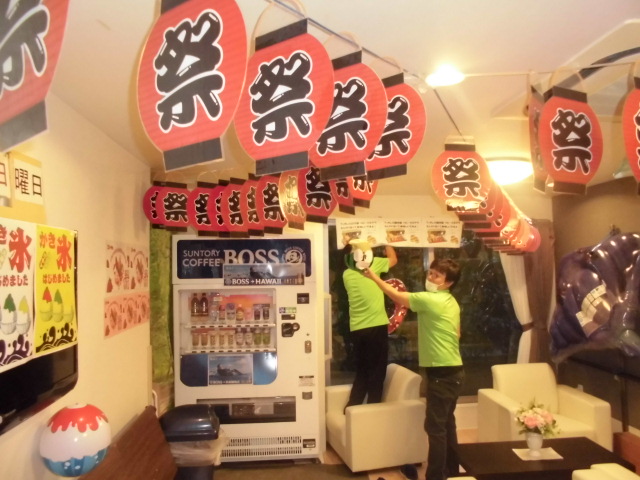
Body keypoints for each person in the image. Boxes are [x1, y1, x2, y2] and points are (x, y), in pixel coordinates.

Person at [364, 258, 463, 480]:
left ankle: (435, 476)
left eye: (437, 276)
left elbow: (397, 296)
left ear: (448, 282)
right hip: (454, 370)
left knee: (435, 428)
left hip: (442, 373)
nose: (430, 277)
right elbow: (458, 333)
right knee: (447, 424)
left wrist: (373, 276)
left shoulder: (431, 300)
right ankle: (452, 471)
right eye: (430, 272)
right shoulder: (451, 302)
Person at [342, 240, 397, 410]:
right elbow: (393, 259)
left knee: (362, 371)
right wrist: (386, 241)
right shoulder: (372, 267)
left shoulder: (346, 274)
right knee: (377, 371)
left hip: (357, 328)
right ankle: (373, 410)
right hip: (376, 326)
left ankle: (351, 409)